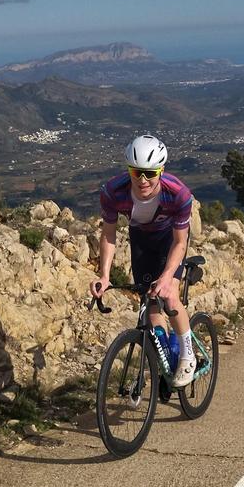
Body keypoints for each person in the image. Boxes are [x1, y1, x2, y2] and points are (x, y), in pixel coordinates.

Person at [91, 134, 196, 387]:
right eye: (137, 172)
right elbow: (108, 235)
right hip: (140, 237)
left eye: (151, 173)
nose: (144, 180)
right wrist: (104, 276)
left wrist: (168, 275)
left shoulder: (179, 194)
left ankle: (187, 354)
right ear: (129, 170)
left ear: (161, 170)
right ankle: (165, 355)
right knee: (151, 302)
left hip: (170, 240)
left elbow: (180, 242)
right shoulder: (113, 192)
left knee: (169, 294)